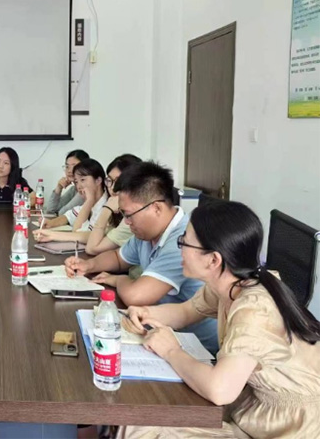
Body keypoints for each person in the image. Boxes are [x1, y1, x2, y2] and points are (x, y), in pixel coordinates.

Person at [121, 201, 320, 438]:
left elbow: (220, 390)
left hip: (290, 428)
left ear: (213, 260)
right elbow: (185, 312)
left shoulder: (255, 310)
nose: (179, 248)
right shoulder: (229, 283)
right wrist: (145, 313)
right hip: (255, 410)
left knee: (146, 425)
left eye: (184, 242)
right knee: (141, 419)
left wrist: (171, 351)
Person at [64, 161, 219, 353]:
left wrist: (119, 280)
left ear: (156, 208)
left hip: (198, 349)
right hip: (163, 332)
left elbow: (135, 296)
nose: (127, 222)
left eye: (129, 215)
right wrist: (88, 265)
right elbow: (118, 257)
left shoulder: (184, 241)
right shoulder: (147, 233)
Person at [84, 154, 141, 256]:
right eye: (110, 180)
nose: (113, 188)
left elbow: (92, 248)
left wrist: (106, 209)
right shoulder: (119, 210)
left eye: (119, 182)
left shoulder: (134, 217)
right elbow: (99, 235)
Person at [38, 159, 108, 233]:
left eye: (83, 180)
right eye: (76, 182)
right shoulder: (92, 201)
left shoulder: (105, 206)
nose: (79, 186)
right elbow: (69, 215)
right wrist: (50, 223)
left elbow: (78, 231)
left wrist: (89, 201)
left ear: (98, 180)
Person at [44, 149, 90, 216]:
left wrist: (57, 213)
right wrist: (59, 188)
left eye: (74, 166)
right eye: (67, 166)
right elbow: (50, 210)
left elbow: (63, 213)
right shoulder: (73, 189)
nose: (69, 171)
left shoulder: (85, 190)